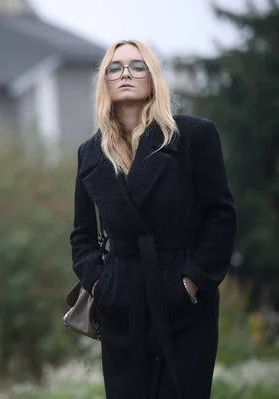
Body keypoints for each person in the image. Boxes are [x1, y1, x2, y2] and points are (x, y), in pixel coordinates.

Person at [69, 39, 237, 399]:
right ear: (105, 82)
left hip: (182, 300)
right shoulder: (90, 154)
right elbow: (82, 236)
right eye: (115, 67)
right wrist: (102, 285)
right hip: (122, 303)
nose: (125, 73)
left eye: (136, 65)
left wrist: (192, 282)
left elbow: (220, 218)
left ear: (153, 77)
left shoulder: (193, 137)